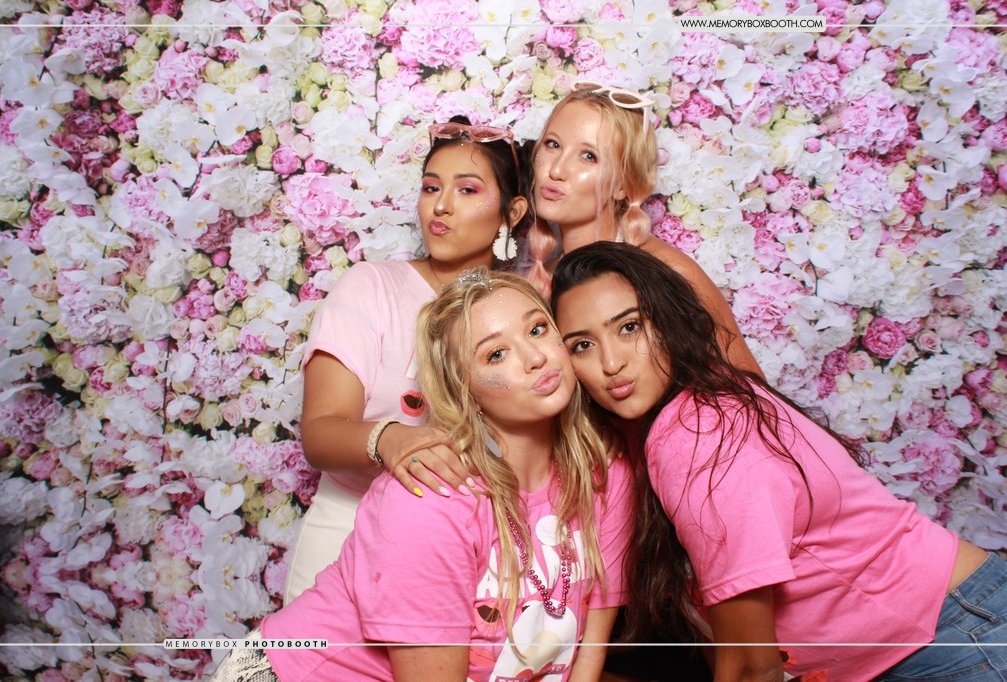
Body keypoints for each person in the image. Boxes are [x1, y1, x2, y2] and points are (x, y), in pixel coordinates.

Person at [550, 241, 1006, 681]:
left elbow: (755, 667)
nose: (611, 363)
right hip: (937, 633)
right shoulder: (691, 404)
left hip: (953, 635)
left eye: (629, 327)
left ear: (667, 321)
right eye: (582, 345)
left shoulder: (697, 434)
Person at [213, 269, 632, 681]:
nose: (536, 358)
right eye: (496, 354)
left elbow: (588, 649)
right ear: (466, 392)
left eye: (537, 330)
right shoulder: (432, 498)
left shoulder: (605, 475)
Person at [287, 117, 530, 603]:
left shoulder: (522, 309)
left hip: (463, 539)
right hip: (347, 528)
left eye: (467, 190)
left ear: (512, 212)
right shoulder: (372, 286)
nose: (441, 206)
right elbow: (320, 434)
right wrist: (390, 438)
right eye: (431, 187)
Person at [528, 79, 761, 377]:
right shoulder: (542, 282)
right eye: (552, 144)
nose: (556, 170)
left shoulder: (669, 270)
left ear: (623, 185)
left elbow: (753, 390)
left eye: (588, 156)